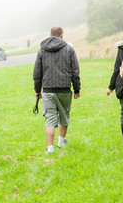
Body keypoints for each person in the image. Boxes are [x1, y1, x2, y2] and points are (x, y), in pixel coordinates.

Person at [33, 26, 81, 154]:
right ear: (61, 35)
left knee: (49, 119)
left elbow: (37, 72)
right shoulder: (69, 49)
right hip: (64, 89)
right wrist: (77, 90)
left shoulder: (42, 50)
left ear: (50, 35)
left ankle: (50, 149)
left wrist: (37, 90)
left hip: (48, 90)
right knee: (64, 116)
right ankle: (61, 142)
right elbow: (75, 72)